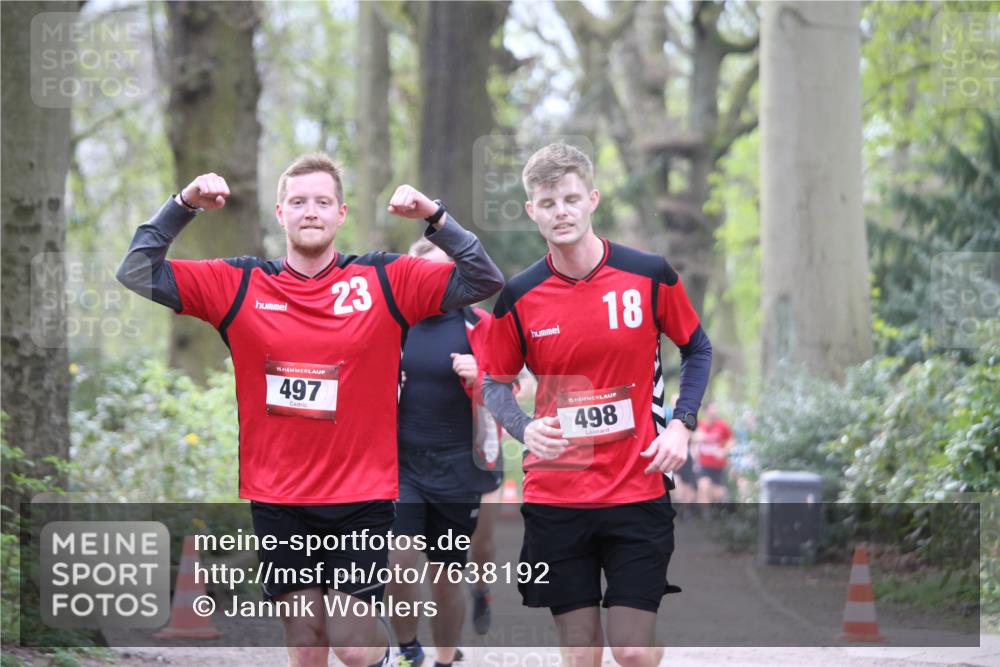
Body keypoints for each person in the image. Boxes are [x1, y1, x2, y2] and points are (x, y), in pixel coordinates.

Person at [116, 154, 503, 667]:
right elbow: (136, 270)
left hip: (362, 494)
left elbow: (483, 279)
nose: (311, 211)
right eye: (298, 202)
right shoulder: (239, 285)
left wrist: (436, 217)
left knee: (349, 644)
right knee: (305, 639)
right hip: (278, 495)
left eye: (323, 201)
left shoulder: (385, 280)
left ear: (341, 213)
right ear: (280, 213)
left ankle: (384, 654)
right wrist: (183, 205)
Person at [480, 144, 712, 667]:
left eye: (569, 198)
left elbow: (697, 347)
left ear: (592, 200)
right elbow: (495, 383)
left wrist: (682, 425)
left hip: (637, 485)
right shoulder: (519, 296)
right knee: (581, 651)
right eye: (547, 202)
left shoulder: (649, 274)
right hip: (558, 493)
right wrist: (523, 427)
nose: (560, 211)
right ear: (531, 211)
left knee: (631, 648)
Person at [388, 237, 503, 667]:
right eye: (423, 272)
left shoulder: (479, 324)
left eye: (443, 272)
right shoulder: (393, 323)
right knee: (399, 561)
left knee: (449, 572)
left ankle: (444, 657)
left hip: (463, 465)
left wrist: (484, 375)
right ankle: (407, 651)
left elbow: (512, 389)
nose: (434, 281)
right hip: (403, 464)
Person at [695, 402, 733, 505]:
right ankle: (705, 516)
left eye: (716, 409)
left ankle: (719, 508)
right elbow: (692, 440)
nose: (715, 411)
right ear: (706, 411)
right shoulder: (700, 425)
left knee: (718, 492)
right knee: (703, 486)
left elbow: (731, 440)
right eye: (712, 409)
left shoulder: (722, 425)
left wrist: (724, 451)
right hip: (704, 465)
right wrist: (696, 438)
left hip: (718, 465)